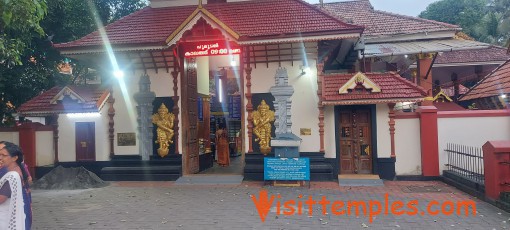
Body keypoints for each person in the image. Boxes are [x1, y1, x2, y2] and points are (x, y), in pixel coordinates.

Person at [0, 141, 32, 229]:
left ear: (14, 158)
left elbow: (1, 198)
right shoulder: (15, 170)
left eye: (3, 155)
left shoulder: (12, 175)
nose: (0, 157)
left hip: (6, 218)